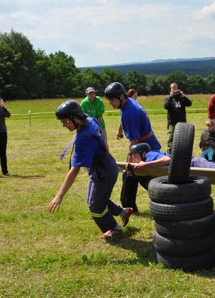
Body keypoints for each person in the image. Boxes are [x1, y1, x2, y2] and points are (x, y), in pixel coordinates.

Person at [48, 100, 133, 239]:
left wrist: (59, 196)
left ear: (74, 119)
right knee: (94, 199)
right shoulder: (89, 120)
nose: (64, 125)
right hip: (102, 166)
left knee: (95, 206)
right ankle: (123, 212)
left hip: (104, 172)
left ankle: (114, 229)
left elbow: (74, 170)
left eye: (65, 122)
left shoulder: (84, 138)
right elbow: (101, 136)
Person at [104, 82, 162, 211]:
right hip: (145, 143)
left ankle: (164, 197)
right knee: (131, 174)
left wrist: (130, 160)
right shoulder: (128, 102)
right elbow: (122, 117)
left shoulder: (130, 112)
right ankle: (129, 206)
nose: (110, 103)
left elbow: (134, 140)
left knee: (141, 174)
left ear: (120, 97)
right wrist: (120, 130)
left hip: (146, 148)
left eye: (112, 100)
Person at [164, 82, 192, 154]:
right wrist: (171, 96)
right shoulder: (168, 99)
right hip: (172, 122)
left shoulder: (181, 98)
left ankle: (181, 152)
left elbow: (189, 104)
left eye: (176, 88)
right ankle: (169, 153)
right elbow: (166, 106)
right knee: (171, 138)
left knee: (182, 138)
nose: (175, 90)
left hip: (182, 122)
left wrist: (183, 96)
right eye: (173, 88)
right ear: (170, 89)